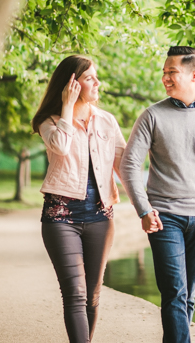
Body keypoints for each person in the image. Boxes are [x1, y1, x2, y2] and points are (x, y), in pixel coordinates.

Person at [119, 46, 195, 343]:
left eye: (172, 72)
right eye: (164, 72)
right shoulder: (152, 116)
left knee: (188, 294)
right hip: (163, 217)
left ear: (194, 75)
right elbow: (129, 165)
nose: (165, 78)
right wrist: (144, 210)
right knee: (174, 291)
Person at [31, 55, 126, 343]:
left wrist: (146, 207)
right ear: (71, 84)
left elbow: (125, 166)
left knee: (93, 295)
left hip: (100, 216)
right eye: (89, 78)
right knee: (75, 294)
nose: (98, 83)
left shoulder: (107, 121)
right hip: (60, 218)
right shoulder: (49, 121)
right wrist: (68, 107)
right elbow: (60, 147)